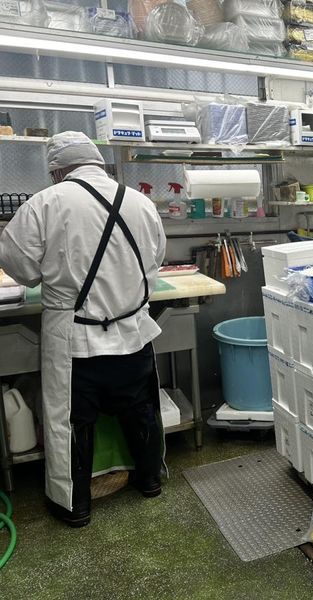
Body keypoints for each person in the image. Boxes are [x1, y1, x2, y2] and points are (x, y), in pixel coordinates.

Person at [0, 132, 166, 527]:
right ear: (97, 162)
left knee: (72, 423)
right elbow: (155, 260)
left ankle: (75, 507)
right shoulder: (141, 202)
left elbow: (20, 268)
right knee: (140, 409)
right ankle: (149, 481)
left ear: (57, 171)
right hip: (133, 335)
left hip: (76, 344)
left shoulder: (44, 203)